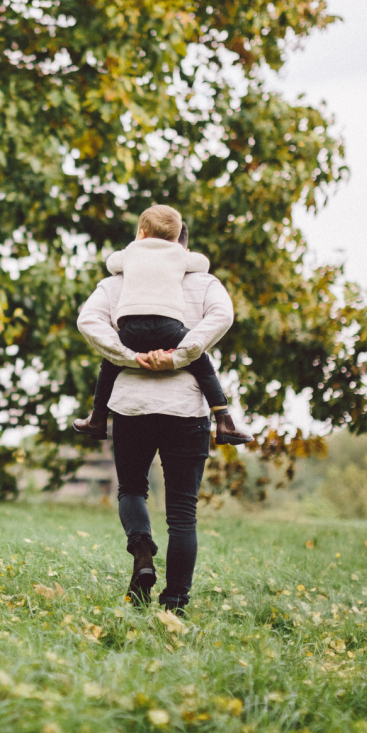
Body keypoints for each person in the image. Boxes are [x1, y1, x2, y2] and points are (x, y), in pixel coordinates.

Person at [74, 215, 236, 611]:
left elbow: (88, 320)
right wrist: (181, 355)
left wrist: (128, 356)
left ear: (142, 238)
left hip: (132, 407)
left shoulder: (117, 282)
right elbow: (223, 316)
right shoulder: (204, 283)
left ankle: (142, 550)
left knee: (131, 490)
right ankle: (175, 603)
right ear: (184, 246)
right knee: (182, 512)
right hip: (186, 411)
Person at [72, 205, 249, 446]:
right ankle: (225, 420)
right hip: (170, 329)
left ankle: (98, 417)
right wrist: (179, 356)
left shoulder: (129, 254)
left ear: (142, 232)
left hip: (131, 333)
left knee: (109, 364)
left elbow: (112, 263)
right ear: (178, 240)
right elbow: (202, 263)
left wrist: (127, 356)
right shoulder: (182, 258)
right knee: (201, 360)